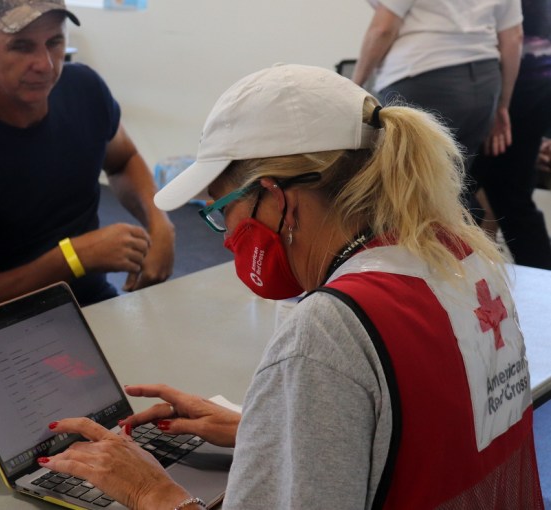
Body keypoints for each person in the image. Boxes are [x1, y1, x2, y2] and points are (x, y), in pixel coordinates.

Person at [37, 64, 543, 508]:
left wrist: (151, 492)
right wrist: (270, 431)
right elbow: (428, 434)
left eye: (221, 211)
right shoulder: (461, 257)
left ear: (276, 199)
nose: (226, 237)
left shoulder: (328, 331)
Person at [0, 0, 175, 307]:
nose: (46, 64)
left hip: (93, 305)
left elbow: (123, 161)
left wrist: (160, 223)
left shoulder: (85, 88)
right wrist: (74, 257)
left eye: (54, 42)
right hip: (7, 329)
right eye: (22, 47)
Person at [351, 0, 524, 221]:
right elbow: (513, 38)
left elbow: (383, 29)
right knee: (452, 188)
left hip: (422, 77)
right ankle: (464, 246)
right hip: (484, 84)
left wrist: (354, 87)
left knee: (402, 192)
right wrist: (502, 105)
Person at [471, 0, 551, 270]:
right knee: (509, 196)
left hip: (510, 86)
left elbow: (509, 37)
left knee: (460, 190)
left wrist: (501, 103)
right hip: (535, 84)